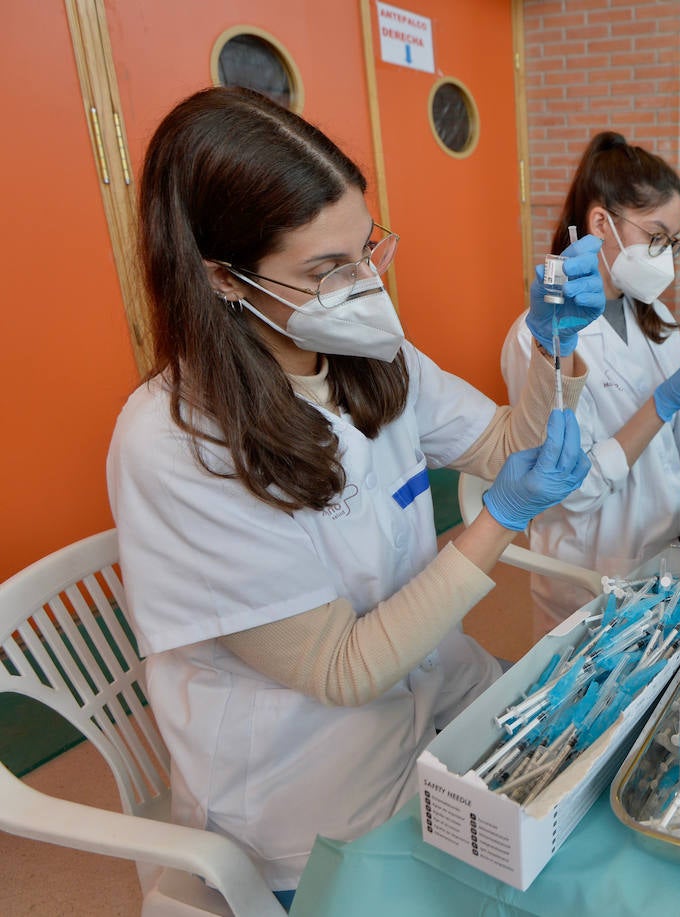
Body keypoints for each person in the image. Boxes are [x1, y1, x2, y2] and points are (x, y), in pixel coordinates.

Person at [105, 88, 601, 902]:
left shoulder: (369, 350)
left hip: (438, 697)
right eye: (327, 269)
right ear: (222, 276)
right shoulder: (173, 443)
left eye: (367, 248)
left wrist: (555, 352)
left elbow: (512, 443)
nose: (365, 283)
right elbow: (341, 669)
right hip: (314, 789)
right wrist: (498, 519)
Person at [501, 133, 680, 630]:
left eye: (672, 241)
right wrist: (659, 405)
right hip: (599, 565)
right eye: (657, 236)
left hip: (668, 536)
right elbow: (574, 490)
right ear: (600, 223)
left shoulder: (649, 312)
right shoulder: (541, 338)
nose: (666, 256)